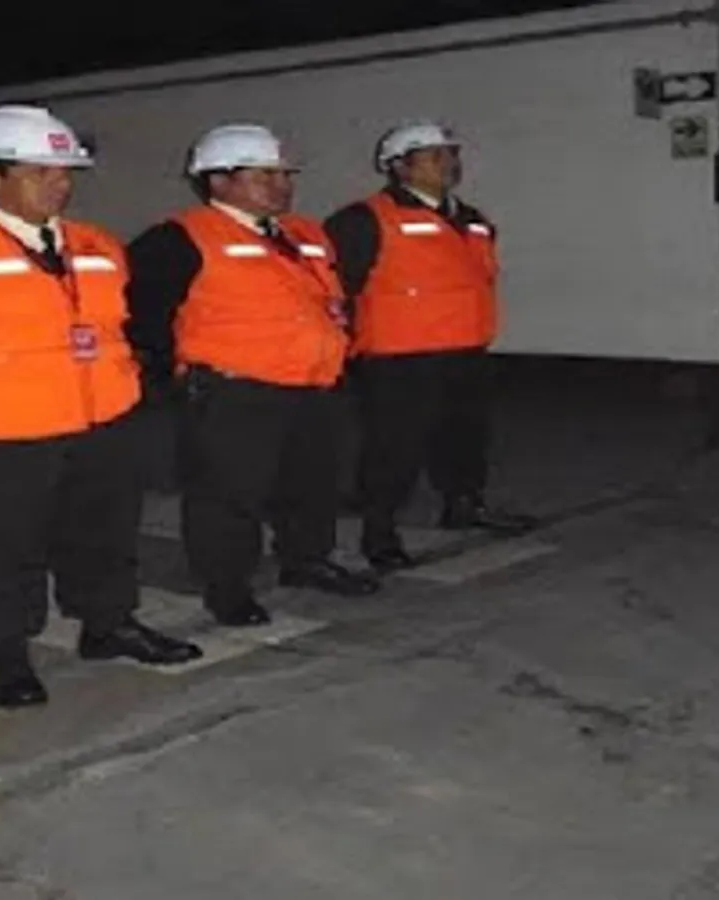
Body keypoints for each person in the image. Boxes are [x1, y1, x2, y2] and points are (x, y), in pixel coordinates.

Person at [0, 105, 203, 707]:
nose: (59, 184)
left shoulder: (98, 245)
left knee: (105, 533)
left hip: (104, 422)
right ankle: (5, 654)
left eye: (64, 172)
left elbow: (131, 324)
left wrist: (132, 382)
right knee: (3, 548)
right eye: (39, 172)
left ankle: (108, 624)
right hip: (3, 436)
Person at [125, 123, 380, 627]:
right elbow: (141, 310)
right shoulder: (181, 237)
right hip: (235, 391)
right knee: (229, 496)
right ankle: (228, 587)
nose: (282, 185)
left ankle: (306, 560)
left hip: (314, 385)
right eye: (264, 175)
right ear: (218, 181)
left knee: (313, 484)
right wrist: (173, 374)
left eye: (284, 175)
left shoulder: (306, 234)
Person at [324, 120, 536, 570]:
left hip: (466, 351)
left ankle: (464, 504)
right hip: (399, 359)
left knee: (465, 437)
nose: (449, 163)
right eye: (435, 156)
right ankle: (380, 532)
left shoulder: (472, 220)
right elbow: (334, 287)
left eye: (452, 154)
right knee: (393, 449)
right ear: (400, 167)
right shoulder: (364, 220)